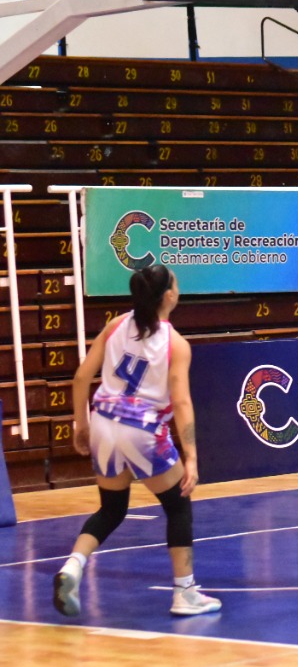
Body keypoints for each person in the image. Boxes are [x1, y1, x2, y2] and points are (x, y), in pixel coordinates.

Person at [53, 264, 221, 618]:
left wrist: (80, 426)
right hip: (142, 429)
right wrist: (191, 456)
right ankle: (185, 592)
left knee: (111, 508)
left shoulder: (115, 325)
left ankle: (73, 564)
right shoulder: (176, 343)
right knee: (177, 505)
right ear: (169, 296)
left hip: (103, 422)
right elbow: (182, 403)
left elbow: (82, 377)